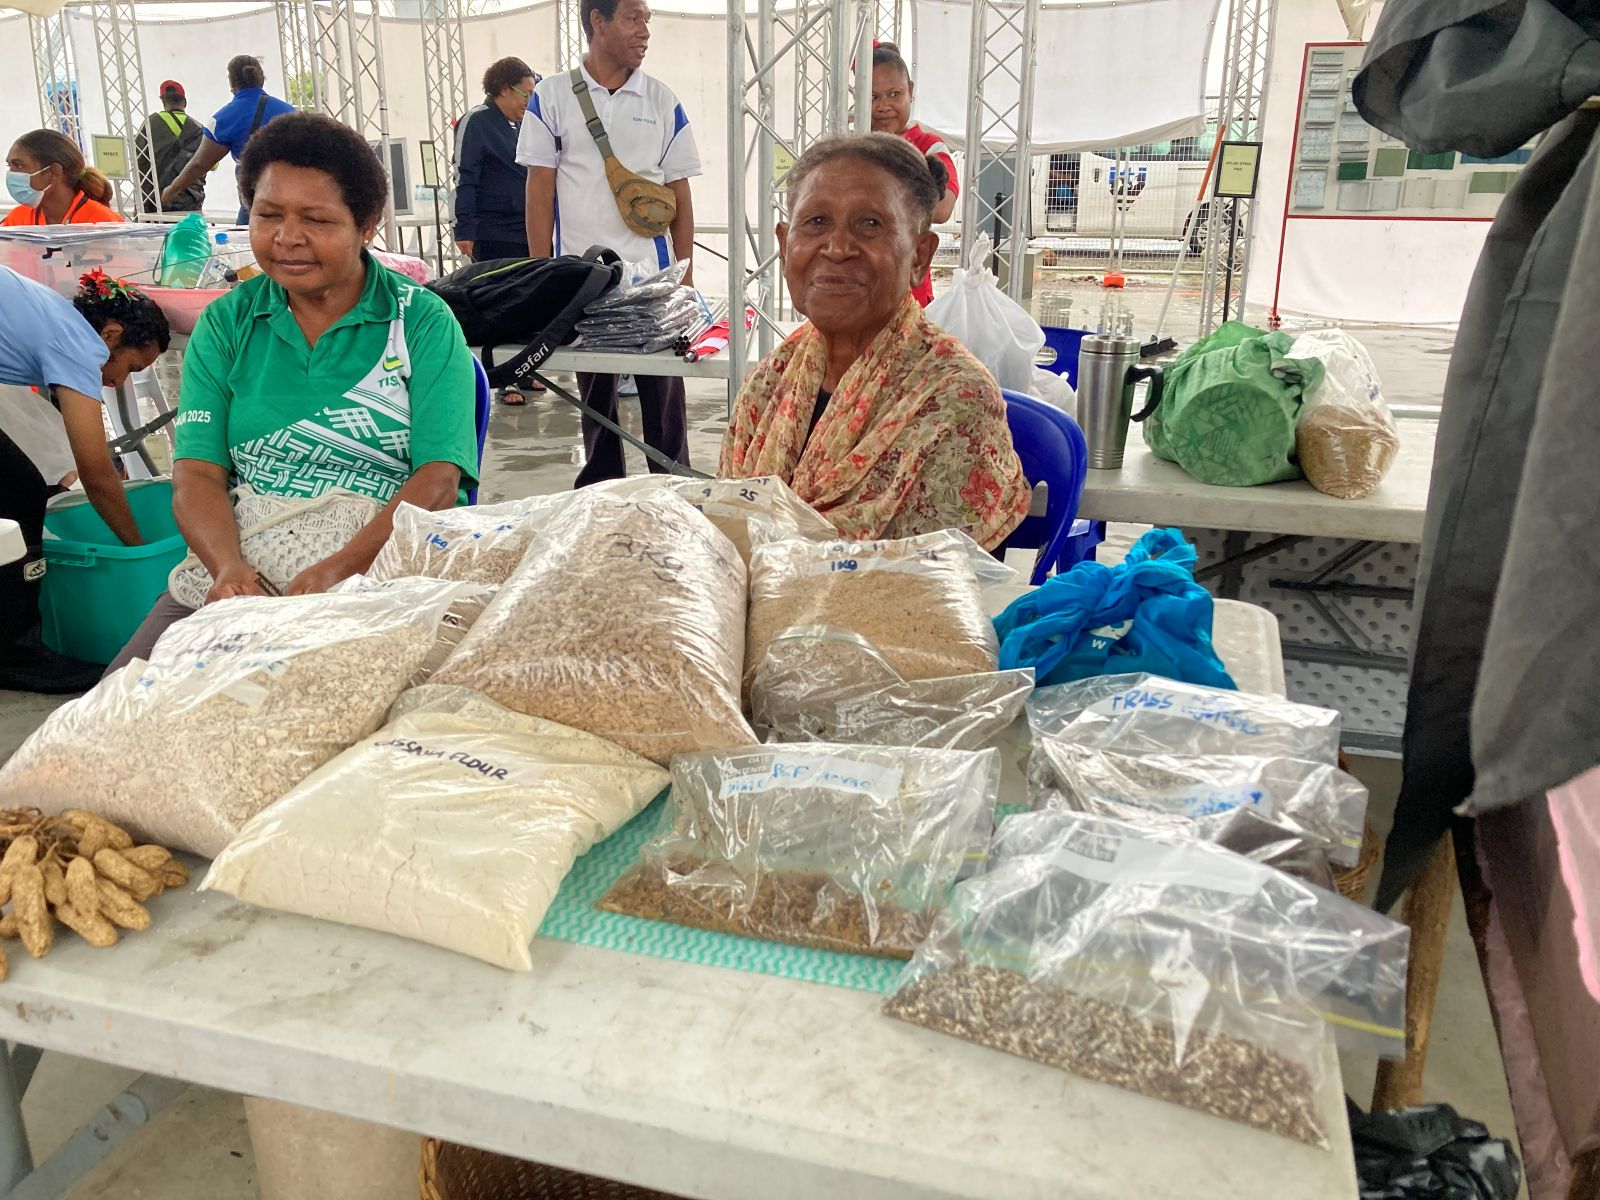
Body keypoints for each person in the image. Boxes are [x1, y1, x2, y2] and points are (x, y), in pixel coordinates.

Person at [106, 113, 478, 673]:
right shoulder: (228, 323)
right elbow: (199, 473)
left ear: (367, 224)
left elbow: (439, 479)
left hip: (380, 564)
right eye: (269, 215)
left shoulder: (420, 322)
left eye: (317, 219)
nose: (287, 238)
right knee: (119, 706)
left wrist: (341, 569)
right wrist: (228, 570)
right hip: (244, 561)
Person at [719, 133, 1030, 551]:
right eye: (816, 222)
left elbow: (941, 589)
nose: (838, 248)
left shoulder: (955, 398)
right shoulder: (768, 385)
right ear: (783, 243)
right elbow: (727, 535)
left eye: (870, 224)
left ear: (920, 256)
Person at [517, 0, 700, 486]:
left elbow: (680, 193)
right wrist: (542, 275)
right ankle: (602, 495)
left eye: (647, 19)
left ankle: (673, 488)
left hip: (654, 282)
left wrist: (685, 278)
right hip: (584, 281)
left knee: (664, 400)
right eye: (633, 17)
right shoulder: (551, 97)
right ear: (597, 21)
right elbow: (539, 190)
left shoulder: (662, 101)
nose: (645, 30)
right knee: (595, 398)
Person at [0, 266, 169, 691]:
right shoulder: (80, 343)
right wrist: (137, 549)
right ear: (111, 335)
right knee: (19, 491)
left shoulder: (56, 315)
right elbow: (95, 473)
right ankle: (15, 652)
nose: (120, 381)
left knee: (16, 487)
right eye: (132, 365)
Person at [454, 56, 546, 403]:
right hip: (492, 230)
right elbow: (466, 177)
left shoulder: (522, 126)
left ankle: (524, 370)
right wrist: (466, 228)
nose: (528, 103)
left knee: (528, 300)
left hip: (524, 227)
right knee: (500, 303)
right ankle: (502, 378)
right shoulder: (477, 121)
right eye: (525, 95)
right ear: (503, 90)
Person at [869, 42, 958, 306]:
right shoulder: (853, 148)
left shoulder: (929, 146)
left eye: (894, 94)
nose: (884, 106)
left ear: (911, 90)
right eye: (873, 97)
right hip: (859, 289)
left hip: (910, 292)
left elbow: (942, 208)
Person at [160, 54, 295, 223]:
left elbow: (200, 164)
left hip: (256, 205)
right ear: (261, 80)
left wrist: (171, 191)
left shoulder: (224, 118)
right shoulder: (290, 112)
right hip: (292, 202)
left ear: (232, 85)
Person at [4, 130, 123, 227]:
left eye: (19, 165)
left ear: (53, 172)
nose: (11, 174)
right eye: (10, 166)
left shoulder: (102, 223)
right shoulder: (17, 219)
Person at [134, 80, 205, 213]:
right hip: (189, 203)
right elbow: (211, 164)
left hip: (153, 202)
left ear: (163, 102)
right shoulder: (199, 129)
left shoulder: (149, 125)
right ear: (184, 102)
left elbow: (138, 159)